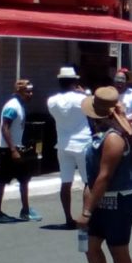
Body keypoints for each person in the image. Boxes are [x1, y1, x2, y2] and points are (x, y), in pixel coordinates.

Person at [74, 87, 132, 263]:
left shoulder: (114, 138)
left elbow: (104, 177)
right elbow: (92, 178)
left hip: (120, 199)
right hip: (102, 197)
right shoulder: (102, 133)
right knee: (91, 246)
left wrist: (86, 211)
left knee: (118, 249)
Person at [0, 79, 40, 223]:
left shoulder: (19, 105)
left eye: (31, 91)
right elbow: (4, 128)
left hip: (15, 148)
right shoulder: (12, 106)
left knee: (24, 179)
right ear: (19, 91)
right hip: (8, 150)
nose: (30, 94)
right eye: (27, 91)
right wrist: (13, 150)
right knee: (2, 180)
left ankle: (25, 210)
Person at [46, 67, 90, 228]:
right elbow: (96, 107)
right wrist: (84, 93)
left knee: (66, 182)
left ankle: (68, 218)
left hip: (63, 143)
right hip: (83, 142)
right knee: (87, 182)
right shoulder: (81, 99)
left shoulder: (51, 101)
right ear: (74, 82)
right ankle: (86, 215)